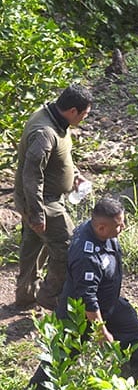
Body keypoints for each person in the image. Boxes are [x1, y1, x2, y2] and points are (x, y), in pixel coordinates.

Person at [27, 197, 138, 390]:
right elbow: (87, 298)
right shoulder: (86, 256)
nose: (123, 227)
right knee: (61, 357)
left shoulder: (103, 234)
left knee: (134, 333)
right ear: (101, 227)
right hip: (79, 313)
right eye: (119, 225)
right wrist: (101, 331)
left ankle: (133, 387)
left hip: (109, 303)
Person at [14, 84, 93, 310]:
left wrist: (74, 175)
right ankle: (50, 295)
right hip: (43, 201)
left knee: (33, 246)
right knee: (68, 247)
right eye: (84, 114)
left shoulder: (55, 119)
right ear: (72, 111)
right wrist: (38, 214)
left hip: (40, 199)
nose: (84, 118)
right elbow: (32, 175)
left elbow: (59, 157)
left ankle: (26, 294)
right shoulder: (44, 133)